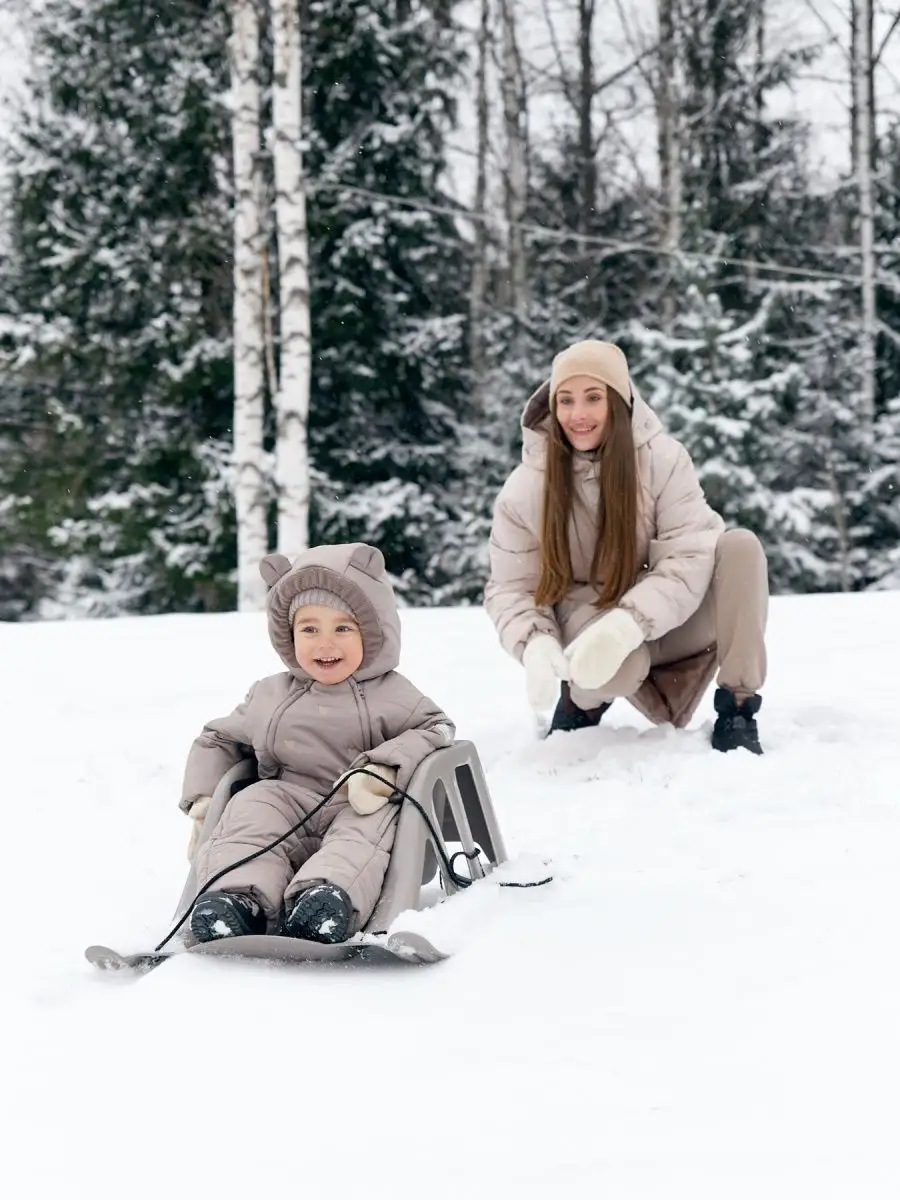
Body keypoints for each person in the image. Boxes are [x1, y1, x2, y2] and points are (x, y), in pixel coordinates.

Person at [484, 339, 768, 754]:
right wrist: (536, 643)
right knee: (614, 666)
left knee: (740, 548)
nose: (577, 414)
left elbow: (688, 556)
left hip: (670, 620)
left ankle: (739, 710)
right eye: (565, 400)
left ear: (618, 400)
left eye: (593, 398)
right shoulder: (526, 487)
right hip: (588, 625)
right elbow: (511, 586)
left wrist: (628, 624)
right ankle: (580, 703)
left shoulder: (664, 461)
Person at [180, 542, 455, 944]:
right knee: (251, 811)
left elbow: (437, 730)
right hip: (288, 798)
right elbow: (219, 737)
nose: (325, 644)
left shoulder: (393, 694)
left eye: (343, 628)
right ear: (289, 635)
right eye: (309, 629)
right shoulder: (270, 694)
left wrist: (382, 769)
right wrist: (204, 800)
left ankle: (324, 902)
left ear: (373, 631)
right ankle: (236, 902)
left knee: (365, 831)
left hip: (357, 800)